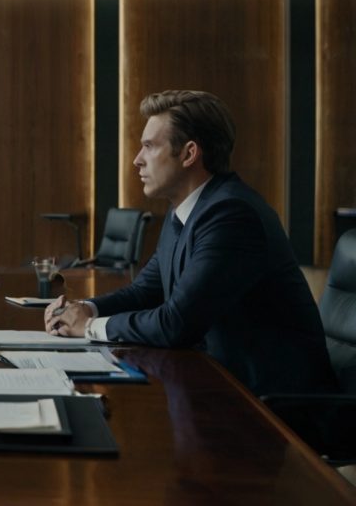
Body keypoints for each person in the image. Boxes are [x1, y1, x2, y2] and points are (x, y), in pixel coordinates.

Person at [44, 90, 335, 395]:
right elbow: (146, 292)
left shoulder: (231, 215)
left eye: (149, 146)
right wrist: (85, 309)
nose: (137, 160)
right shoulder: (187, 210)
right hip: (222, 387)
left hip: (274, 409)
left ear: (189, 154)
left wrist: (88, 327)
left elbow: (176, 323)